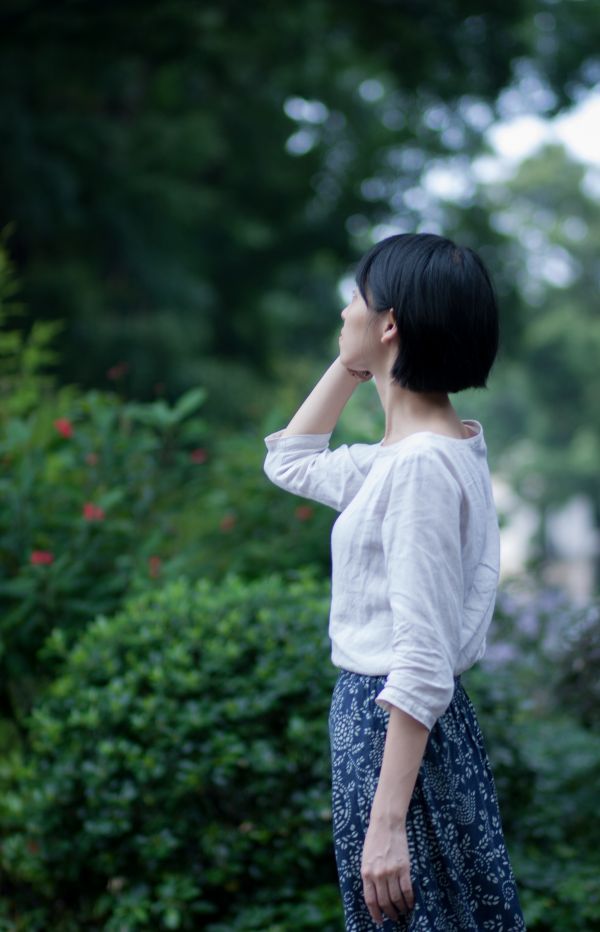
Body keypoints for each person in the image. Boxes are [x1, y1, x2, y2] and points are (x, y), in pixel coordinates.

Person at [262, 232, 526, 931]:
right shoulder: (415, 453)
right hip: (392, 732)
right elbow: (289, 461)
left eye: (357, 300)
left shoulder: (418, 469)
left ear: (389, 324)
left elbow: (421, 658)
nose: (342, 314)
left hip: (394, 736)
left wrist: (387, 825)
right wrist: (355, 366)